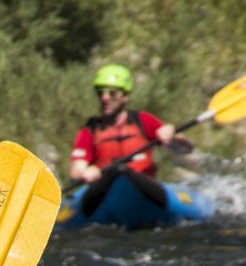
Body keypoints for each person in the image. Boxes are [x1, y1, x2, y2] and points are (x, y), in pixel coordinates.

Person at [69, 63, 187, 218]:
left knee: (123, 171)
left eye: (112, 93)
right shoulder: (89, 131)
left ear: (125, 97)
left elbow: (185, 149)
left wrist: (172, 135)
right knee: (118, 171)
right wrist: (85, 172)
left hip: (144, 185)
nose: (105, 98)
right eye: (100, 93)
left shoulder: (144, 121)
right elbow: (75, 171)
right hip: (105, 188)